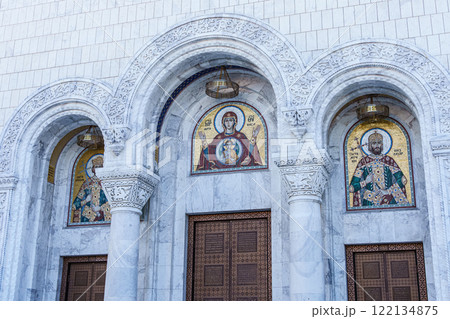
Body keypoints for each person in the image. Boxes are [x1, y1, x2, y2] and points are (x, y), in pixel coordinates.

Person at [349, 131, 409, 207]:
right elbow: (351, 188)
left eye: (379, 143)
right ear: (370, 145)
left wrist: (388, 191)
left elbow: (403, 180)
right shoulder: (363, 162)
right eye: (374, 143)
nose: (377, 145)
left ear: (382, 144)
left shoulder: (388, 160)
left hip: (388, 200)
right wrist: (365, 182)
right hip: (369, 201)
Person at [197, 111, 263, 170]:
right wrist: (203, 141)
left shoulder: (240, 136)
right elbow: (210, 150)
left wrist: (254, 136)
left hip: (239, 166)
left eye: (231, 120)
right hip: (220, 166)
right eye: (226, 121)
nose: (228, 123)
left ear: (235, 122)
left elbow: (248, 148)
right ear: (223, 123)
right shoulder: (219, 137)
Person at [71, 156, 111, 223]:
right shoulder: (87, 184)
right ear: (93, 169)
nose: (98, 169)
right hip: (88, 218)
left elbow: (115, 203)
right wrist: (86, 200)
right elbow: (74, 206)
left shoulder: (107, 184)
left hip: (104, 217)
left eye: (100, 167)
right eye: (96, 167)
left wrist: (100, 208)